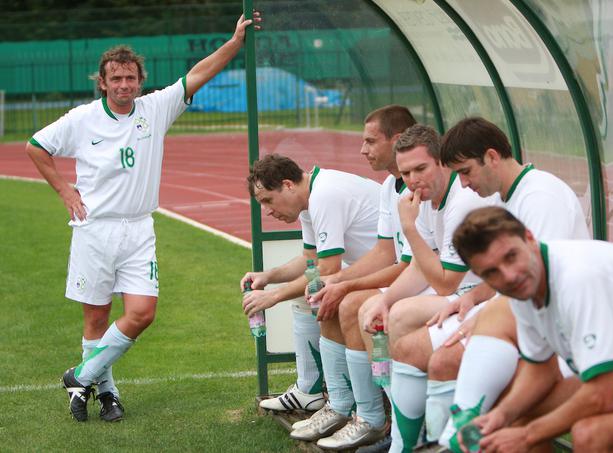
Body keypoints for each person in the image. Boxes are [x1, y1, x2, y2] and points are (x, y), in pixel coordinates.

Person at [25, 13, 261, 422]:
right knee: (96, 316)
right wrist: (65, 190)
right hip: (94, 228)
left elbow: (199, 72)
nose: (123, 85)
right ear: (102, 82)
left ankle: (80, 375)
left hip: (138, 229)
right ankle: (104, 394)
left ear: (140, 80)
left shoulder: (155, 108)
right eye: (115, 79)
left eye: (130, 78)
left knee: (142, 313)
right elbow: (36, 146)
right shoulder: (83, 119)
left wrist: (235, 41)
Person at [452, 206, 613, 453]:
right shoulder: (524, 285)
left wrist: (527, 436)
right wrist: (502, 415)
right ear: (479, 275)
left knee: (589, 435)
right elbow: (541, 371)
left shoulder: (578, 277)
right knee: (515, 422)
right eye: (491, 272)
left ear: (530, 238)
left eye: (510, 257)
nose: (509, 276)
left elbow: (604, 394)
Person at [427, 117, 589, 448]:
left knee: (496, 400)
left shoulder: (541, 196)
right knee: (423, 350)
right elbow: (513, 278)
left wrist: (484, 316)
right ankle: (440, 437)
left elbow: (531, 280)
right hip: (545, 327)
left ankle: (451, 437)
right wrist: (474, 297)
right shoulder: (506, 197)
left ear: (491, 156)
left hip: (571, 334)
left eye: (465, 171)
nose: (463, 183)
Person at [359, 124, 496, 452]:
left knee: (402, 316)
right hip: (458, 292)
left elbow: (445, 280)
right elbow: (421, 267)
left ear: (442, 164)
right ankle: (400, 421)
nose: (413, 180)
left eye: (421, 168)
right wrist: (385, 299)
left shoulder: (461, 201)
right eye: (405, 172)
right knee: (373, 309)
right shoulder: (420, 200)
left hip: (481, 296)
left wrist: (408, 226)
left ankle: (408, 438)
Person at [288, 105, 415, 450]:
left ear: (398, 139)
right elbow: (386, 254)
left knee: (355, 305)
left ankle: (381, 422)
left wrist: (343, 282)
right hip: (407, 278)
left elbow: (409, 264)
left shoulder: (417, 188)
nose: (363, 150)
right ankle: (350, 409)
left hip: (427, 287)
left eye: (371, 141)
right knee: (334, 296)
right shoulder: (391, 185)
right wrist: (339, 283)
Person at [242, 153, 381, 427]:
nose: (268, 210)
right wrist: (268, 276)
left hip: (390, 273)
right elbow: (310, 261)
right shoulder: (311, 197)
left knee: (325, 297)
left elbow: (326, 272)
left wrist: (273, 296)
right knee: (312, 298)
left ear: (288, 185)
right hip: (369, 271)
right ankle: (311, 392)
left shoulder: (324, 195)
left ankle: (350, 408)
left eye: (268, 200)